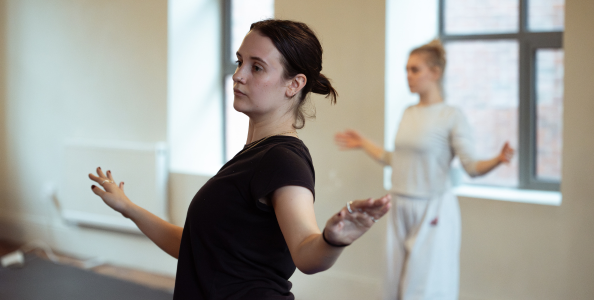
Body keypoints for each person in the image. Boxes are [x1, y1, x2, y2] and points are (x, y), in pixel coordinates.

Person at [88, 19, 391, 300]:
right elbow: (196, 247)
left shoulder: (283, 159)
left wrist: (333, 239)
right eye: (240, 62)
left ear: (294, 84)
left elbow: (305, 252)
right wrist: (128, 208)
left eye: (256, 67)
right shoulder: (254, 156)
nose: (238, 75)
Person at [334, 39, 514, 300]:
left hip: (432, 209)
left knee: (423, 290)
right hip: (399, 205)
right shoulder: (409, 112)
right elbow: (395, 159)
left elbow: (472, 168)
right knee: (394, 287)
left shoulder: (451, 116)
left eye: (415, 70)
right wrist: (363, 143)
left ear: (435, 73)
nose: (408, 76)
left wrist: (498, 159)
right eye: (406, 69)